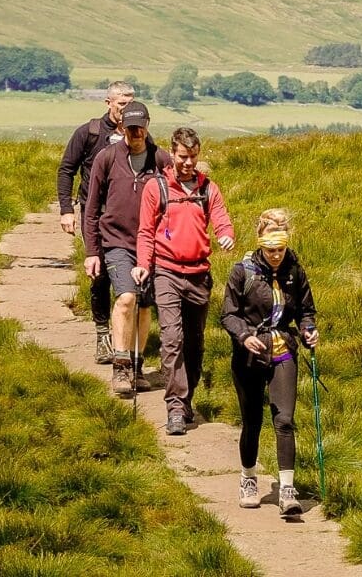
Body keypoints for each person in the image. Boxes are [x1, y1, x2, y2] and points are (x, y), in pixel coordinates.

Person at [133, 127, 235, 436]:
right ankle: (175, 406)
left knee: (194, 342)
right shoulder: (157, 188)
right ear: (172, 153)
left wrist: (225, 234)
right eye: (182, 157)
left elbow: (221, 217)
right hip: (166, 271)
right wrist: (142, 265)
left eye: (193, 157)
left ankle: (187, 400)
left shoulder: (208, 188)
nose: (188, 163)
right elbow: (145, 231)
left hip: (199, 274)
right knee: (171, 339)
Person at [220, 208, 318, 517]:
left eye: (280, 249)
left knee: (285, 419)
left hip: (283, 350)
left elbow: (306, 310)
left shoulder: (295, 271)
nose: (276, 255)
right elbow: (228, 313)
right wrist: (242, 334)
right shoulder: (242, 272)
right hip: (250, 353)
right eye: (270, 250)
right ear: (261, 244)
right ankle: (248, 478)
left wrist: (308, 331)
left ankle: (287, 490)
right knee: (252, 420)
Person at [83, 100, 171, 397]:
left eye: (140, 127)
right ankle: (120, 368)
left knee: (145, 306)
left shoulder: (161, 160)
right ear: (121, 127)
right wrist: (92, 252)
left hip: (153, 244)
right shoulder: (106, 158)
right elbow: (92, 209)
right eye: (130, 127)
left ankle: (136, 366)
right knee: (126, 298)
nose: (135, 132)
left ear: (147, 126)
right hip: (116, 242)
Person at [57, 80, 134, 363]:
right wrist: (66, 209)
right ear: (109, 103)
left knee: (127, 276)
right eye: (121, 103)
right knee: (99, 274)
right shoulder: (89, 132)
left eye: (130, 103)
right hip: (93, 213)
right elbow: (66, 170)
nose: (126, 109)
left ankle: (126, 334)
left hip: (126, 217)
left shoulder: (138, 134)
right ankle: (103, 335)